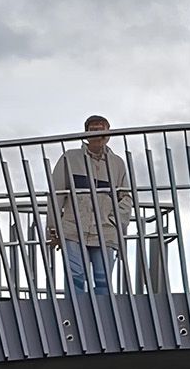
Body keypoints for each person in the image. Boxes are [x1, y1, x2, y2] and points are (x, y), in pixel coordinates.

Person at [49, 114, 133, 295]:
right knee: (75, 277)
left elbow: (126, 197)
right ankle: (76, 311)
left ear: (109, 133)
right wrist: (54, 229)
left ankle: (103, 312)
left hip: (105, 231)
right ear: (86, 133)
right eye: (93, 130)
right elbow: (56, 194)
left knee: (103, 279)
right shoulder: (70, 158)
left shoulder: (117, 163)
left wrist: (114, 221)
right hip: (73, 229)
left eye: (102, 130)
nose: (98, 134)